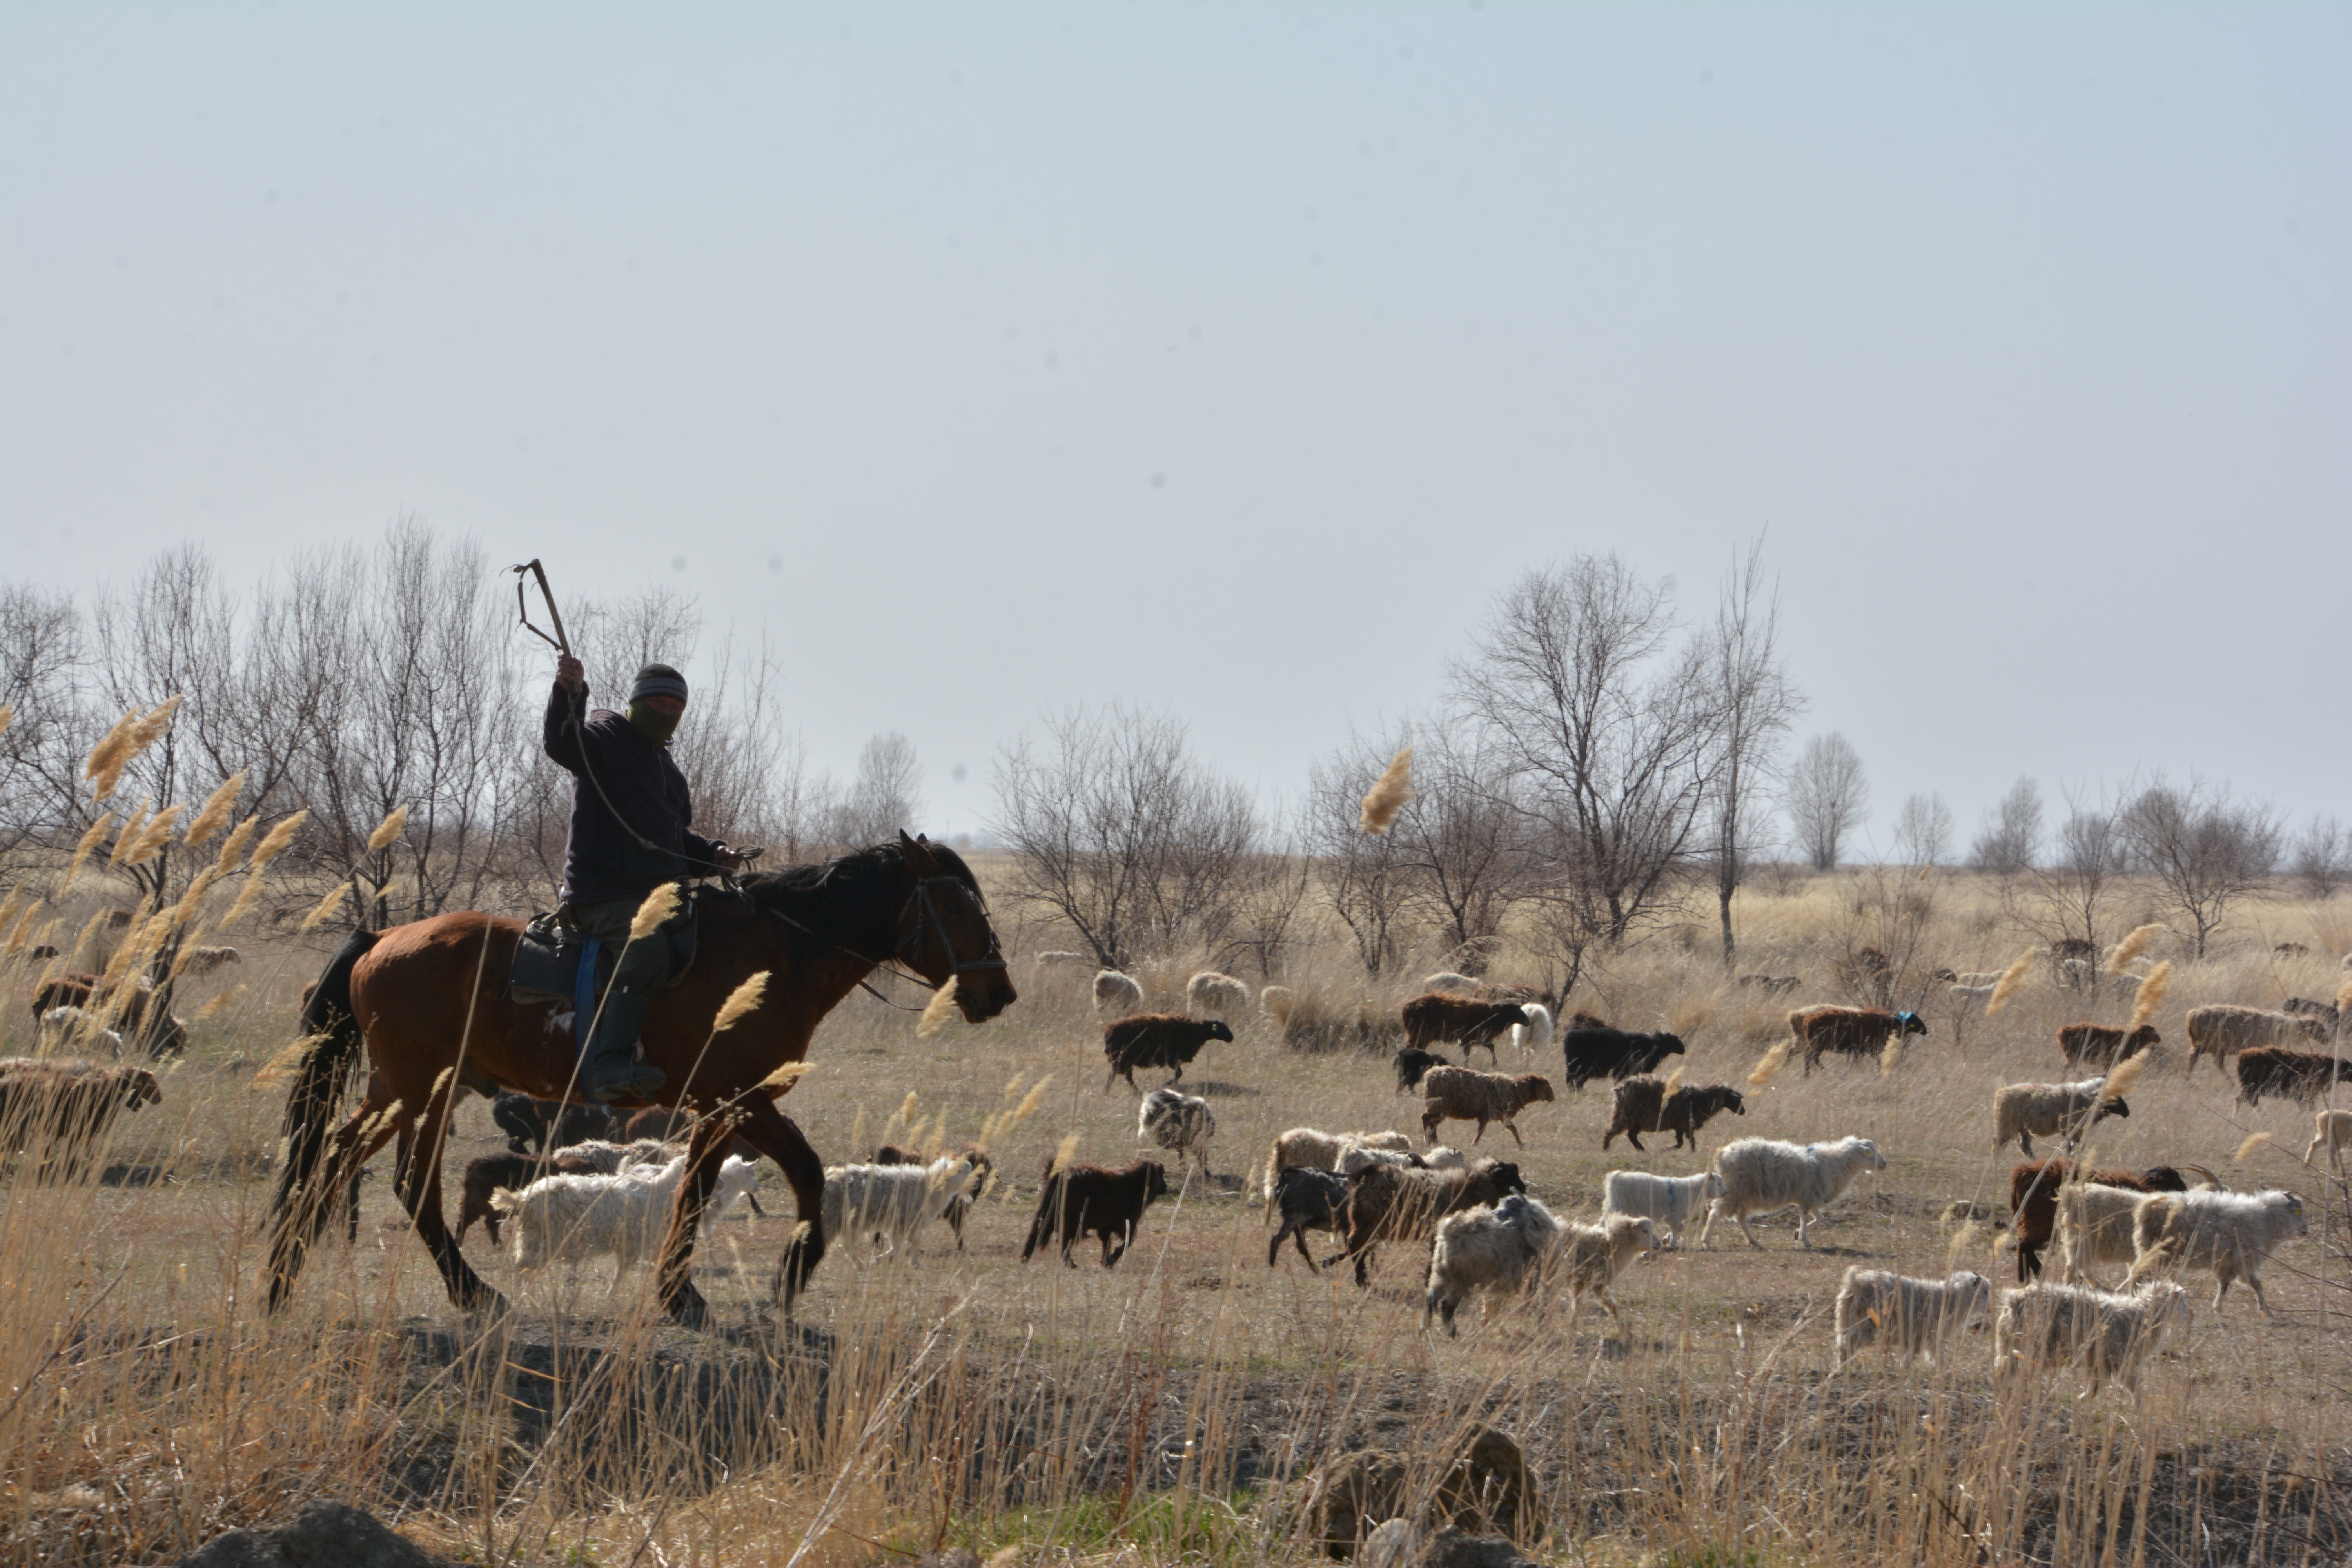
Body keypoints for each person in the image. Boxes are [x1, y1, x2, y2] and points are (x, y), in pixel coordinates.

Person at [544, 654, 745, 1102]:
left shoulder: (668, 772)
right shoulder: (603, 738)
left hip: (657, 895)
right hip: (602, 895)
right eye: (657, 702)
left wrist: (713, 854)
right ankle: (611, 1061)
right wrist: (570, 694)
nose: (666, 713)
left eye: (675, 708)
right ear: (636, 703)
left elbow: (674, 840)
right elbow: (563, 744)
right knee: (648, 944)